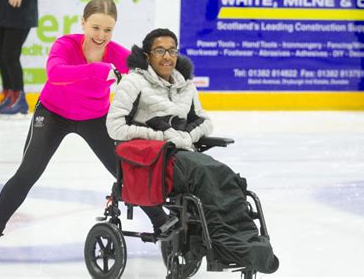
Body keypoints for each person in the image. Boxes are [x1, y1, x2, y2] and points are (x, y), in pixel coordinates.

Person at [0, 0, 167, 258]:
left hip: (96, 118)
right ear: (83, 23)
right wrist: (99, 70)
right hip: (53, 114)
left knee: (127, 173)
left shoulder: (120, 54)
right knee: (28, 172)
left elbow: (154, 77)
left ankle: (162, 225)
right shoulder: (65, 44)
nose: (101, 35)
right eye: (95, 27)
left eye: (108, 30)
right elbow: (56, 73)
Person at [106, 28, 279, 274]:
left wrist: (186, 136)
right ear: (147, 56)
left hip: (183, 153)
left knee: (224, 175)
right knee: (206, 173)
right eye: (160, 51)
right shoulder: (134, 82)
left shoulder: (184, 84)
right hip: (155, 158)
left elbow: (205, 121)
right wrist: (160, 137)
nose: (167, 56)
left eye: (172, 50)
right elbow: (114, 127)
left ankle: (246, 242)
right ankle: (229, 244)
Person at [0, 0, 38, 115]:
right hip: (4, 8)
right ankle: (9, 96)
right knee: (1, 56)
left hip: (20, 9)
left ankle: (19, 99)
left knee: (10, 56)